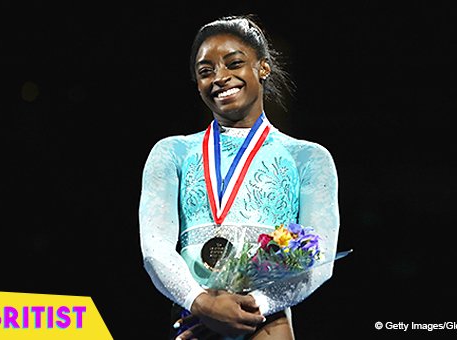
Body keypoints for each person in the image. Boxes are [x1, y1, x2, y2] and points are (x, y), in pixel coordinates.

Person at [139, 14, 341, 340]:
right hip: (195, 321)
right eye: (206, 72)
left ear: (262, 67)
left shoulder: (309, 158)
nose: (220, 77)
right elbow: (155, 249)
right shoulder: (171, 153)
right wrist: (203, 303)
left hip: (265, 323)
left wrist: (251, 305)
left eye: (234, 64)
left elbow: (321, 260)